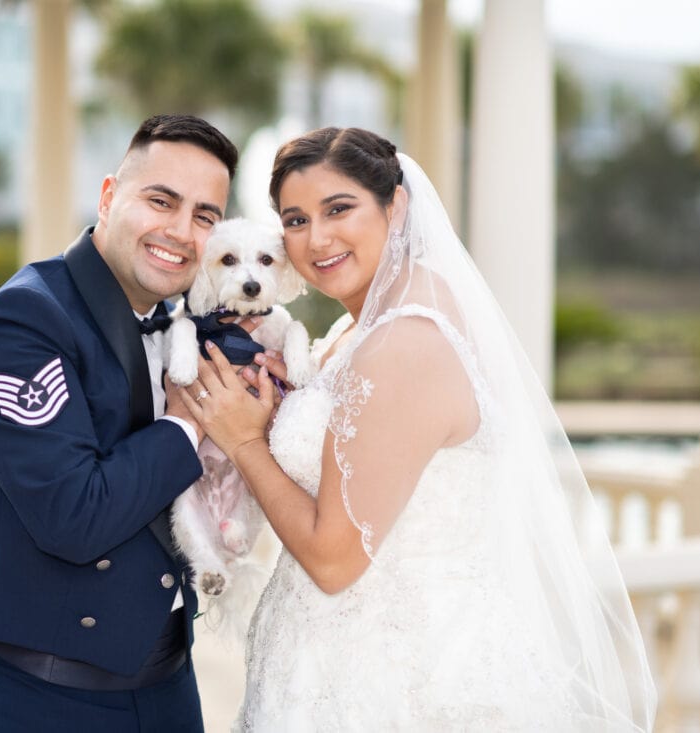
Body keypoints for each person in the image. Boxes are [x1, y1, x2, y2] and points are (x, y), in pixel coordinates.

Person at [178, 127, 658, 730]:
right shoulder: (356, 333)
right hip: (324, 664)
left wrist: (245, 441)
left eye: (339, 209)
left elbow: (333, 560)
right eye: (295, 220)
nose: (317, 238)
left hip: (396, 684)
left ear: (396, 205)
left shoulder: (405, 343)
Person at [0, 114, 238, 732]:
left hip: (169, 687)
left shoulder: (191, 328)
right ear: (109, 197)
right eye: (161, 201)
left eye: (205, 215)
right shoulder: (23, 324)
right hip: (42, 698)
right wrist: (188, 425)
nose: (182, 231)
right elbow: (74, 517)